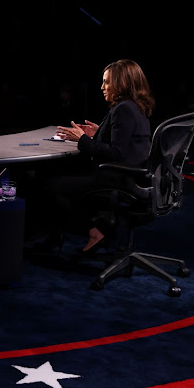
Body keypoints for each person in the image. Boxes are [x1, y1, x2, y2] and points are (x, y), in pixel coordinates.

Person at [36, 59, 154, 253]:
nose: (102, 87)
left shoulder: (123, 109)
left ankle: (93, 230)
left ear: (121, 82)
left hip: (117, 179)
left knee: (52, 185)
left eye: (106, 82)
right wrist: (99, 133)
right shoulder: (137, 107)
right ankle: (97, 227)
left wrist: (82, 140)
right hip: (133, 177)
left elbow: (117, 152)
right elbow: (128, 142)